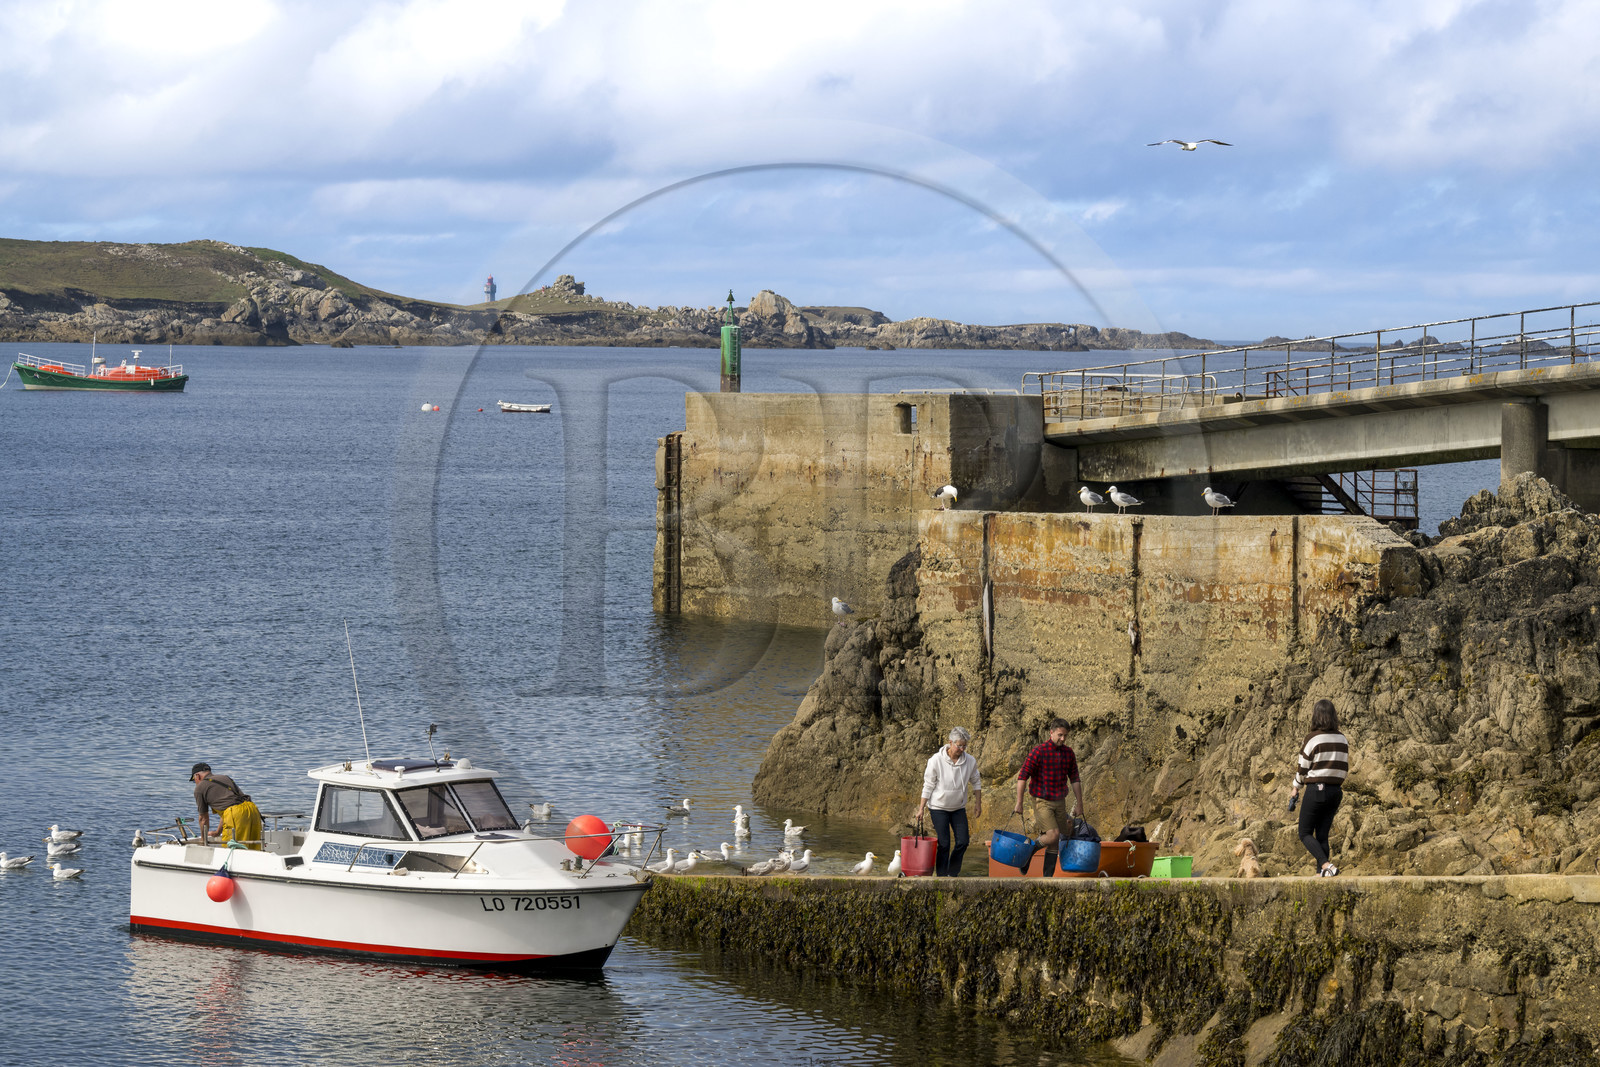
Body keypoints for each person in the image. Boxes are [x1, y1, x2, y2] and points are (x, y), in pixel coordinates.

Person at [1013, 718, 1085, 877]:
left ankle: (1048, 880)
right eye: (1060, 735)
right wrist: (1019, 803)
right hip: (1041, 801)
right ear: (1051, 732)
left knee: (1054, 843)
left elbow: (1075, 779)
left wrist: (1079, 803)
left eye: (1065, 736)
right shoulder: (1039, 751)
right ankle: (1027, 855)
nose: (1063, 739)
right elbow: (1022, 776)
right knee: (1053, 835)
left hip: (1060, 802)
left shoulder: (1068, 753)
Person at [1289, 698, 1349, 877]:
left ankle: (1326, 865)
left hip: (1317, 790)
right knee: (1322, 834)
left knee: (1305, 832)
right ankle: (1321, 873)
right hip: (1336, 791)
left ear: (1316, 716)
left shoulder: (1312, 738)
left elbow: (1303, 767)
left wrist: (1295, 788)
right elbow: (1344, 767)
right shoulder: (1342, 738)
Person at [915, 726, 983, 876]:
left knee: (963, 841)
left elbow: (976, 782)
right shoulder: (935, 760)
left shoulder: (970, 761)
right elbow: (928, 785)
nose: (962, 749)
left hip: (958, 807)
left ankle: (952, 873)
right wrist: (921, 808)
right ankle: (940, 876)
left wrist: (978, 804)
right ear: (950, 742)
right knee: (944, 843)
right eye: (959, 745)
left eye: (965, 745)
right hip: (938, 807)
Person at [190, 762, 263, 850]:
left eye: (194, 780)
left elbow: (203, 818)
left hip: (236, 814)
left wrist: (203, 839)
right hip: (252, 810)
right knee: (253, 848)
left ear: (197, 776)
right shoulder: (225, 778)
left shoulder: (199, 788)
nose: (195, 783)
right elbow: (228, 809)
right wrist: (217, 832)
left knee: (232, 849)